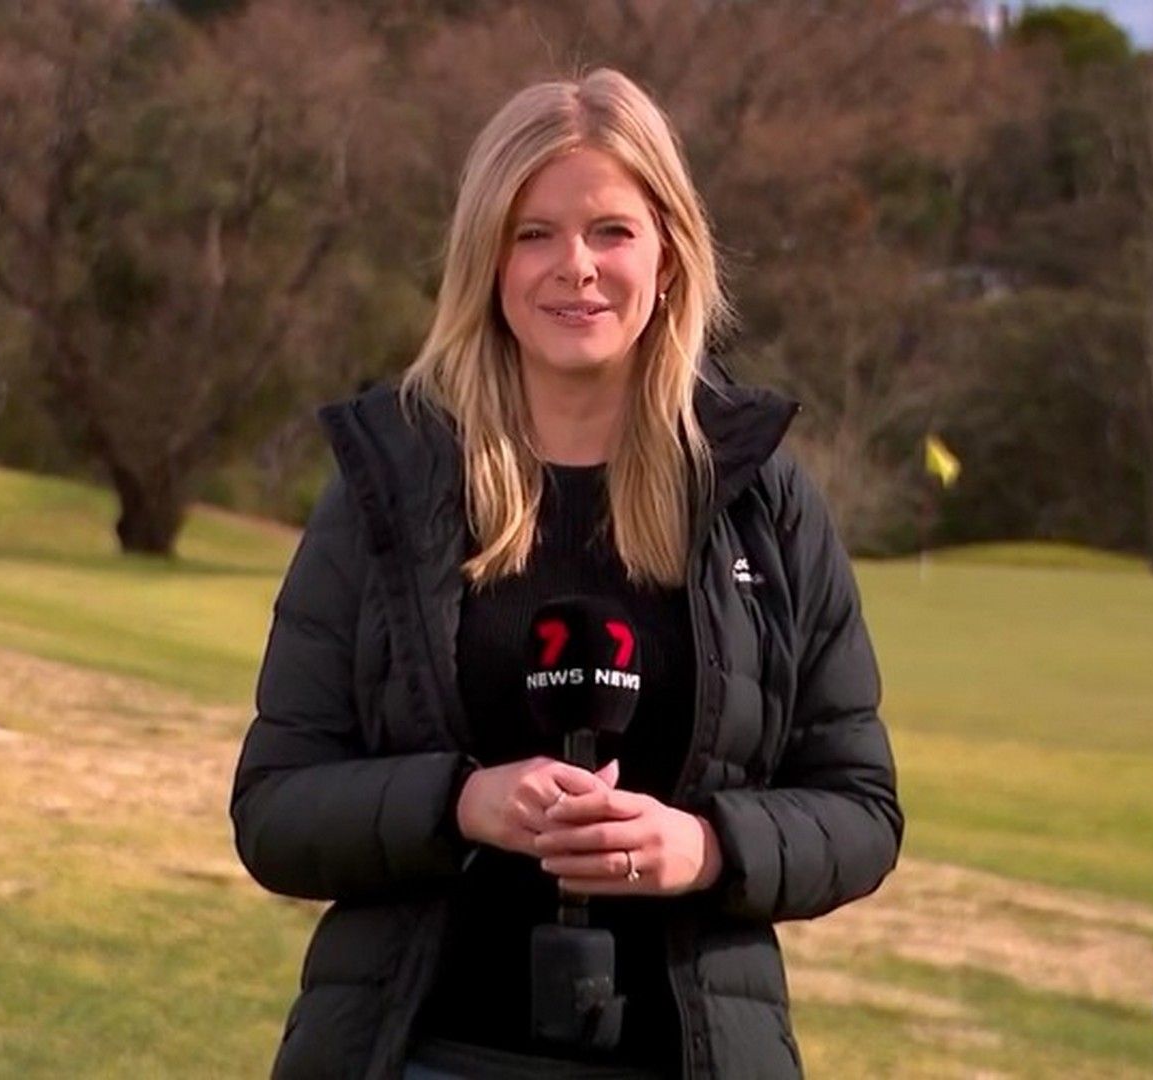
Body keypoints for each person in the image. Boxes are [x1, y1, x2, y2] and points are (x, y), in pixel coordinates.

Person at [231, 68, 901, 1080]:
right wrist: (461, 803)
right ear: (487, 261)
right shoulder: (390, 482)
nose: (574, 267)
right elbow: (276, 809)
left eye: (611, 231)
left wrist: (706, 847)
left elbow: (861, 810)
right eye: (533, 233)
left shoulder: (762, 494)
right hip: (422, 1055)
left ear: (668, 254)